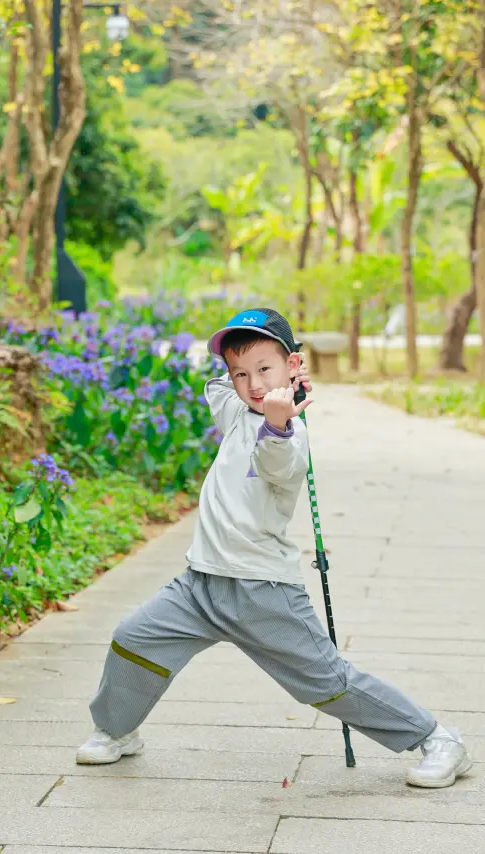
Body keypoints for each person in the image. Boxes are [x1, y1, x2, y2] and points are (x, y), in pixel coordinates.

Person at [76, 307, 471, 789]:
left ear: (292, 364)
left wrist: (282, 421)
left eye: (266, 369)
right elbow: (219, 386)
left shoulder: (288, 434)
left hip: (262, 591)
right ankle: (117, 731)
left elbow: (278, 466)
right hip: (200, 584)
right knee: (134, 638)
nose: (253, 383)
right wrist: (261, 381)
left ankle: (436, 739)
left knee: (326, 682)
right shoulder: (236, 409)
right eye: (241, 373)